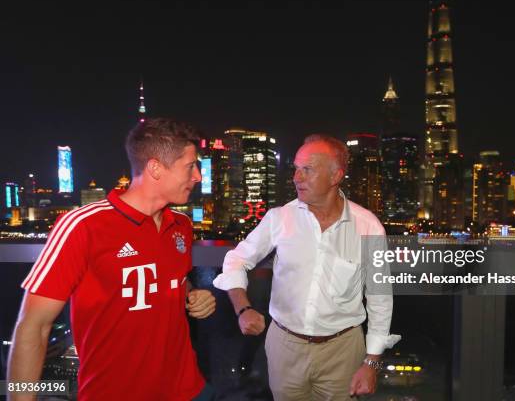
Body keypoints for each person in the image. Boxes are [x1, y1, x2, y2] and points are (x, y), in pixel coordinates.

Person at [7, 118, 216, 401]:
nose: (198, 177)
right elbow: (33, 326)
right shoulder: (83, 226)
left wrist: (192, 294)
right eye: (190, 166)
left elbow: (172, 280)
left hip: (187, 390)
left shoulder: (181, 224)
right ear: (155, 168)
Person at [213, 134, 400, 400]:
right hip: (284, 347)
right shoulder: (280, 218)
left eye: (307, 170)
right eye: (296, 169)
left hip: (343, 350)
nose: (296, 177)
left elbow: (380, 299)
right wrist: (243, 308)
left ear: (336, 176)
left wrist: (372, 363)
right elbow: (235, 260)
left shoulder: (368, 227)